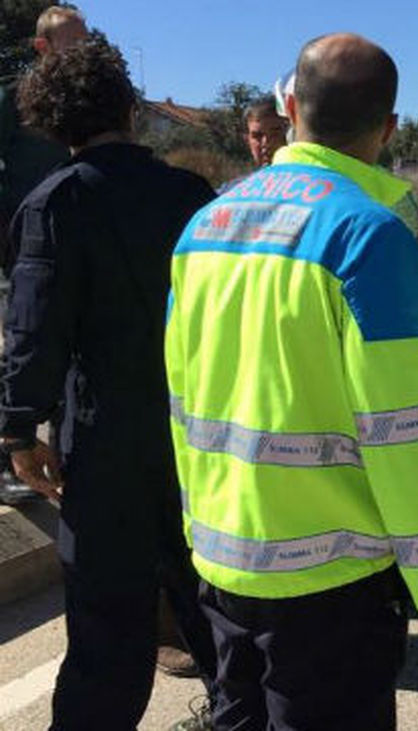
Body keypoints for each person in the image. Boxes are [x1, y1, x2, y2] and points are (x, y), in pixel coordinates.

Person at [166, 33, 418, 731]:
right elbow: (403, 436)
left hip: (220, 561)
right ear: (389, 126)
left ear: (289, 106)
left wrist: (198, 533)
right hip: (331, 585)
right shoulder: (369, 234)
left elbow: (182, 403)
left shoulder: (202, 227)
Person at [0, 39, 219, 730]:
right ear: (130, 108)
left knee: (107, 628)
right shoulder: (192, 194)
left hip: (103, 441)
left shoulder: (55, 202)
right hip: (198, 434)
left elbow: (36, 328)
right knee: (211, 602)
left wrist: (17, 426)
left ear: (50, 122)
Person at [0, 4, 88, 506]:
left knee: (71, 352)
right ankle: (11, 458)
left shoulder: (87, 103)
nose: (81, 53)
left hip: (76, 242)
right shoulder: (13, 101)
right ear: (42, 48)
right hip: (26, 246)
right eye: (72, 44)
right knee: (23, 348)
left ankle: (65, 453)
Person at [242, 96, 287, 168]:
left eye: (274, 134)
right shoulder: (247, 179)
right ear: (247, 140)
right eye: (257, 136)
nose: (266, 143)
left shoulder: (308, 176)